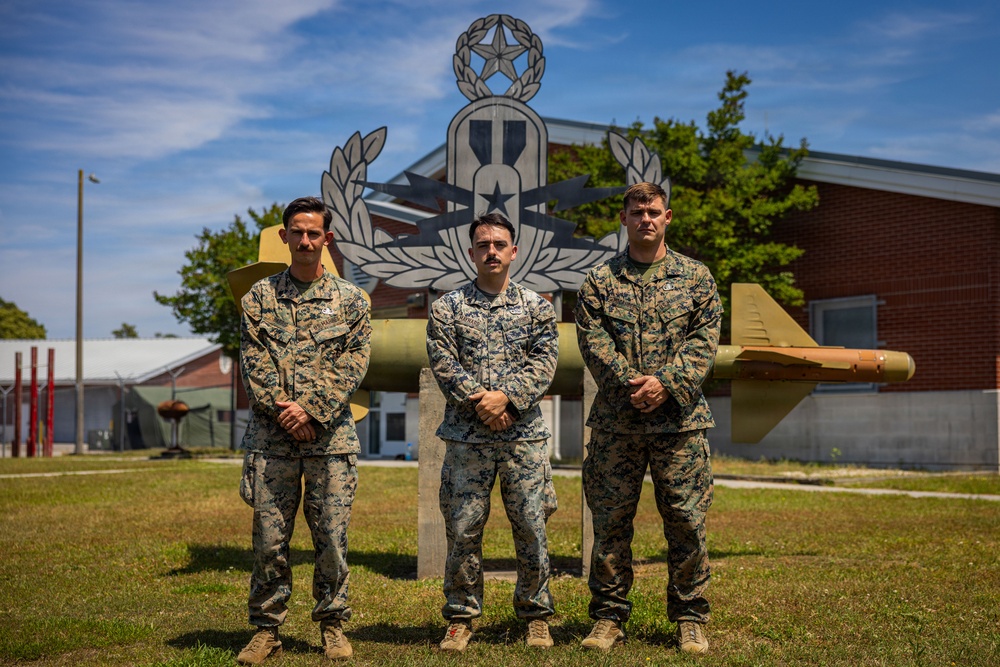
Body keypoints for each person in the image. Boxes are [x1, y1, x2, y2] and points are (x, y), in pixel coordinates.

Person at [574, 182, 722, 655]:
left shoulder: (696, 279)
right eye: (637, 211)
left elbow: (704, 344)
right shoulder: (600, 281)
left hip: (679, 423)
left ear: (668, 217)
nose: (646, 219)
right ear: (623, 219)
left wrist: (665, 385)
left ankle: (690, 617)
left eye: (654, 211)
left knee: (685, 520)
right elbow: (593, 343)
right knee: (611, 522)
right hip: (619, 424)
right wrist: (631, 385)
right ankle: (608, 618)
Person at [236, 196, 371, 664]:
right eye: (298, 231)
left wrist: (311, 410)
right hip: (271, 442)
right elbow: (254, 363)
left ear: (327, 238)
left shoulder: (352, 300)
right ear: (284, 236)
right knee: (270, 541)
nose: (306, 240)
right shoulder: (258, 297)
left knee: (331, 538)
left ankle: (333, 625)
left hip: (330, 441)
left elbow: (353, 364)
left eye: (314, 233)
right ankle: (266, 630)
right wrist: (286, 413)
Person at [426, 212, 560, 652]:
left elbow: (544, 364)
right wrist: (483, 403)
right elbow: (444, 365)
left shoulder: (538, 307)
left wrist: (507, 399)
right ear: (471, 252)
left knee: (531, 527)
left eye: (500, 244)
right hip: (468, 440)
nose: (491, 251)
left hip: (523, 438)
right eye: (483, 245)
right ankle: (462, 617)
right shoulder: (447, 307)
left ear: (514, 251)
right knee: (463, 529)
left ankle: (536, 615)